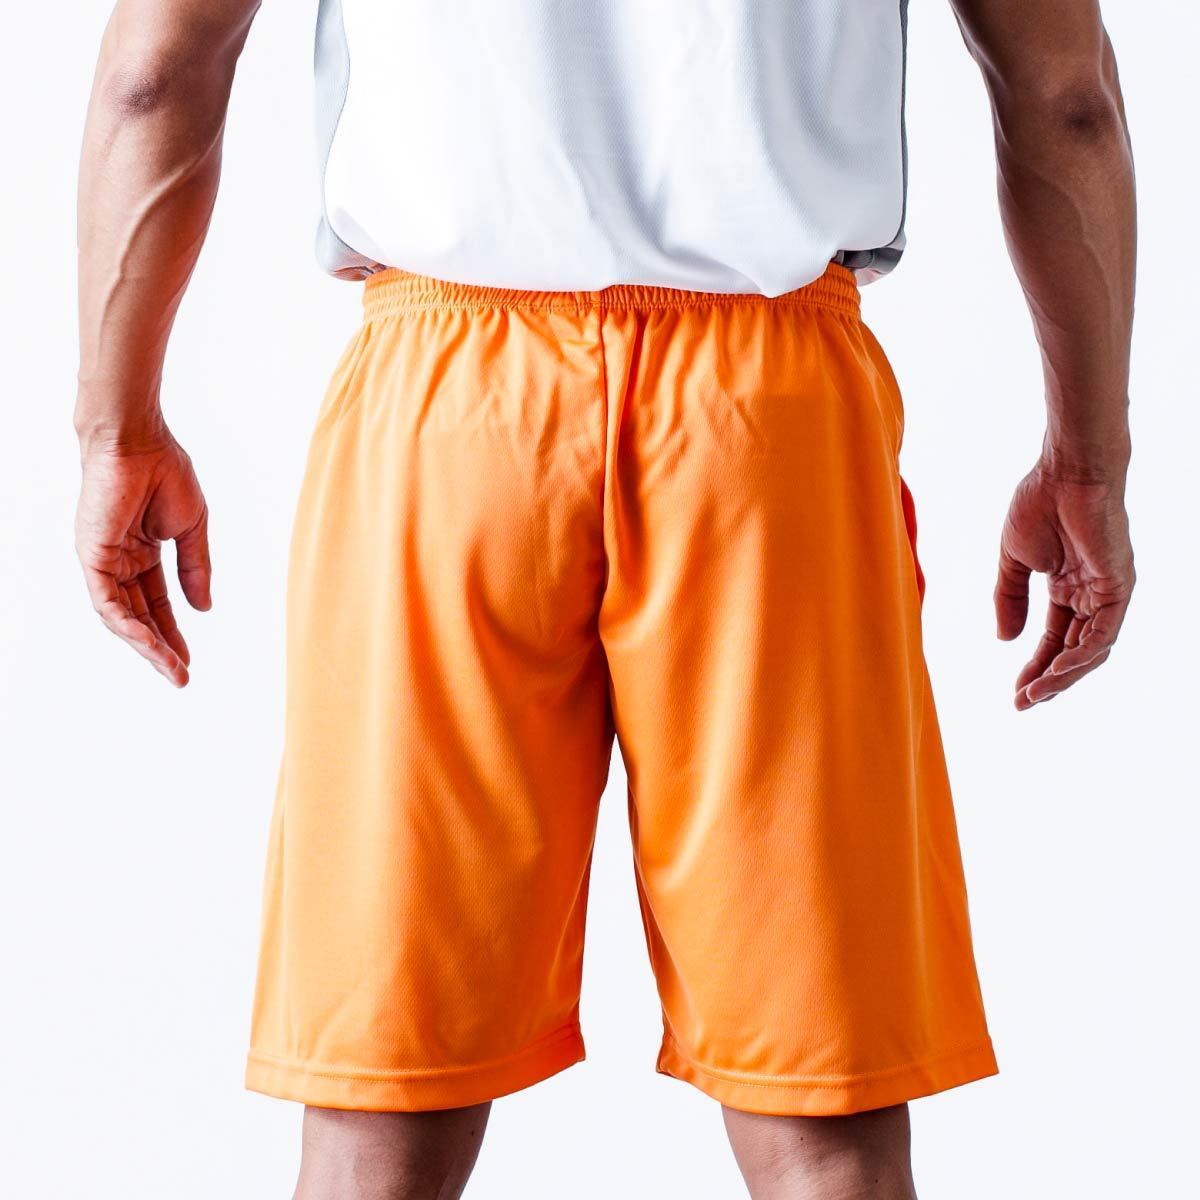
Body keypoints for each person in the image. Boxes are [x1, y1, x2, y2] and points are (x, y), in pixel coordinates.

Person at [73, 1, 1136, 1196]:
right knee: (822, 1122)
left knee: (380, 1112)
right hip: (768, 416)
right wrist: (1087, 464)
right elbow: (1065, 99)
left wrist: (118, 429)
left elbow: (154, 77)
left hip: (445, 410)